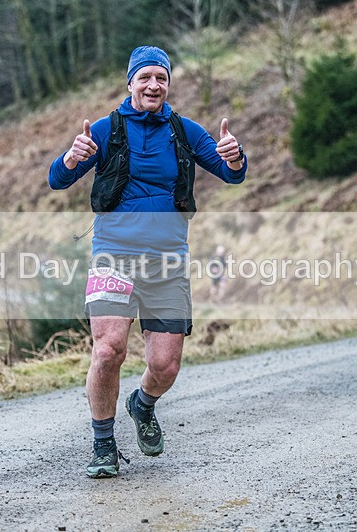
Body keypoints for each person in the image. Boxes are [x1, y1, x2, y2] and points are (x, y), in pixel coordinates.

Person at [48, 46, 247, 478]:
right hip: (113, 257)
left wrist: (234, 156)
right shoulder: (106, 129)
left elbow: (232, 174)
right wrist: (72, 156)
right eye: (146, 78)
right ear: (130, 83)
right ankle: (103, 444)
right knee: (107, 350)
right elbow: (57, 179)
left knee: (165, 366)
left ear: (168, 84)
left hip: (167, 263)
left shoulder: (184, 130)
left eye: (161, 77)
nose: (154, 85)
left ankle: (143, 404)